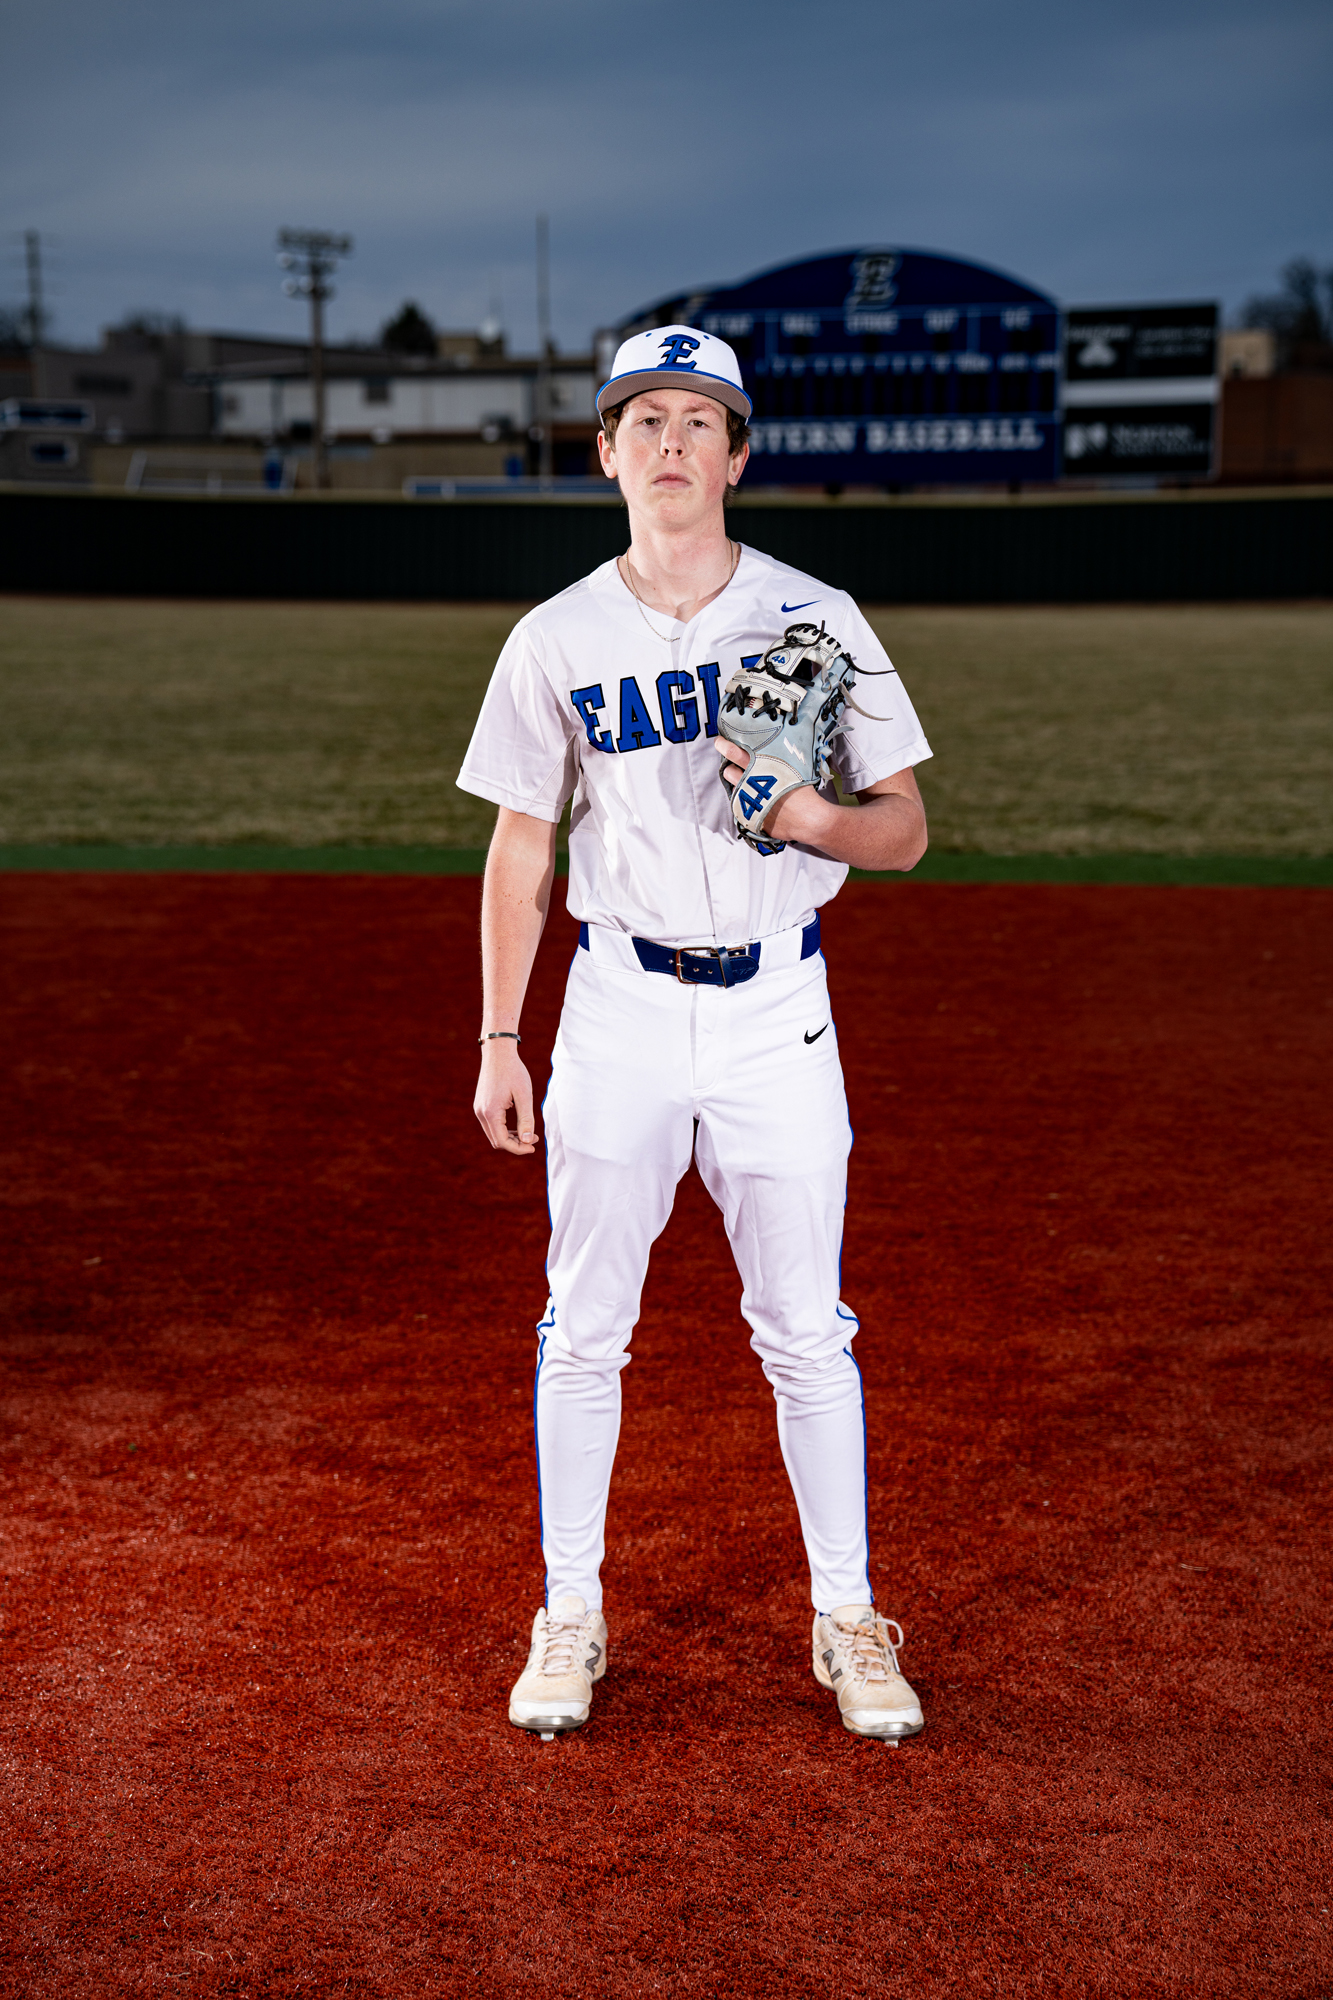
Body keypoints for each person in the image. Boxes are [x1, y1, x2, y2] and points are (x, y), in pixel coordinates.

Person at [457, 326, 933, 1742]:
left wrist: (814, 818)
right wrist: (500, 1036)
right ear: (606, 453)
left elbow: (905, 830)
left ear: (736, 454)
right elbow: (522, 845)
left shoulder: (817, 615)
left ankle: (847, 1617)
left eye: (699, 420)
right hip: (615, 1007)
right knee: (582, 1328)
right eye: (645, 419)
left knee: (806, 1330)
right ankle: (569, 1611)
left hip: (778, 1010)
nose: (671, 441)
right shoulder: (554, 637)